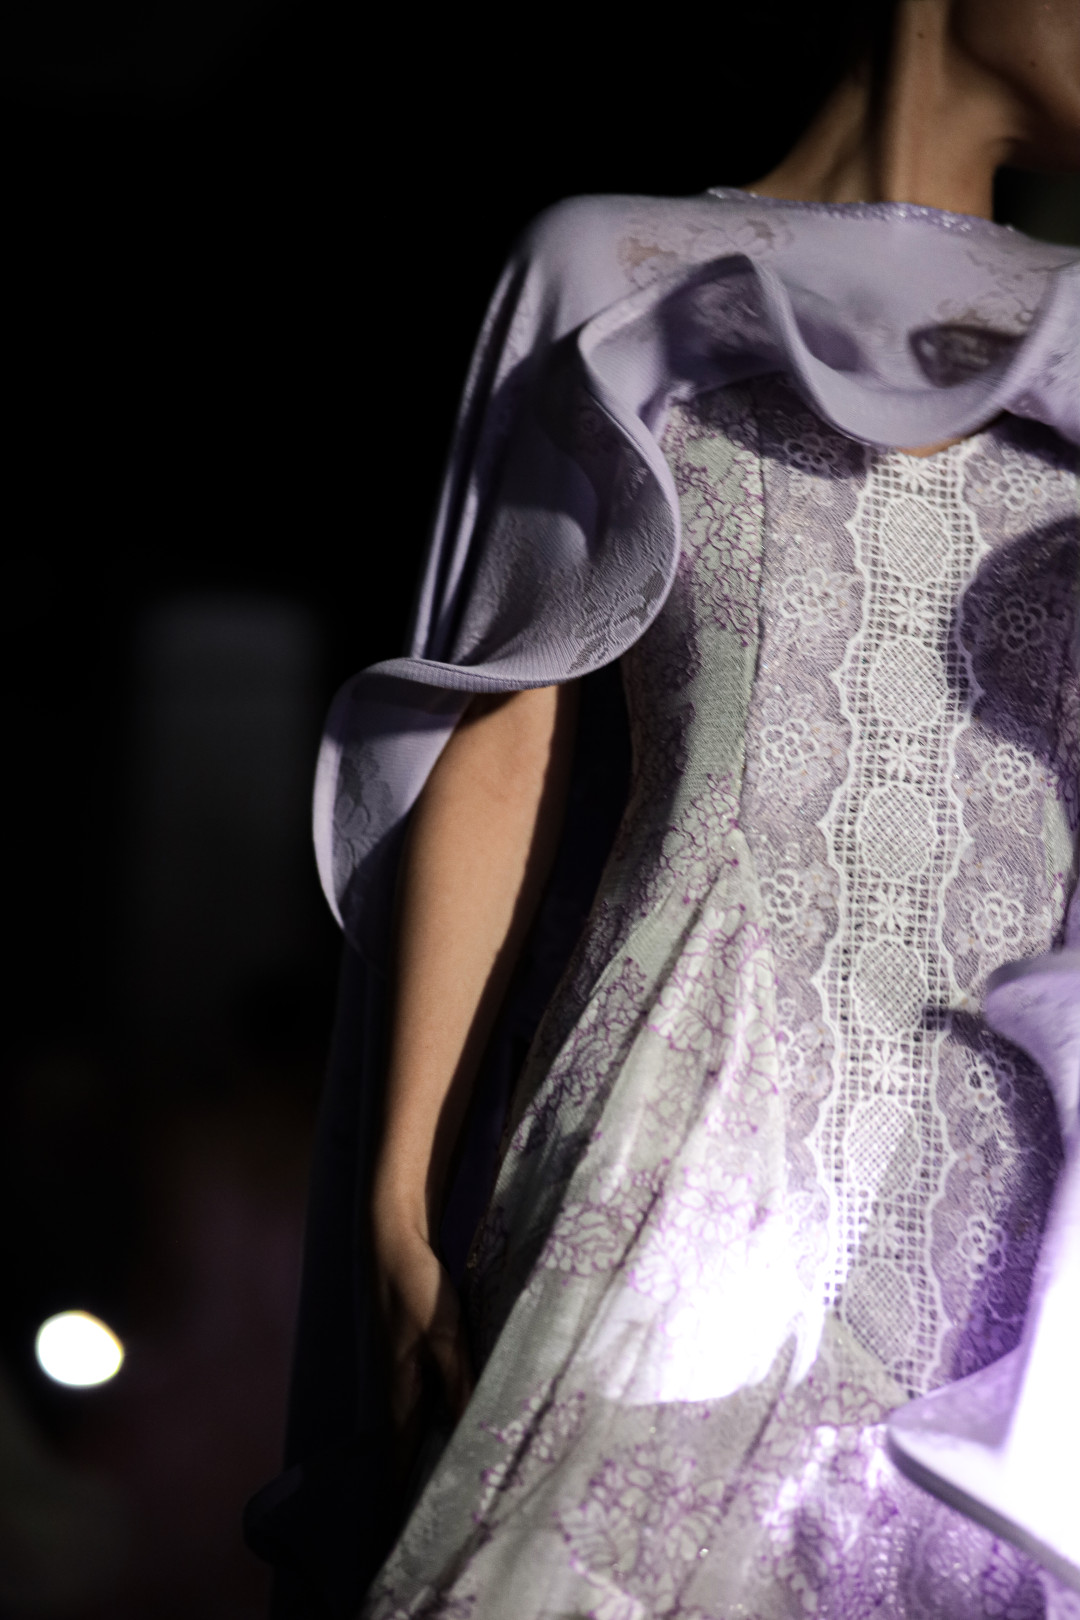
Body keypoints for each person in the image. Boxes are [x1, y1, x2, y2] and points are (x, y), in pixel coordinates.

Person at [253, 1, 1080, 1614]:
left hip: (998, 1173)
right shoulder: (613, 267)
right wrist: (400, 1199)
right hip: (688, 1097)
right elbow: (506, 728)